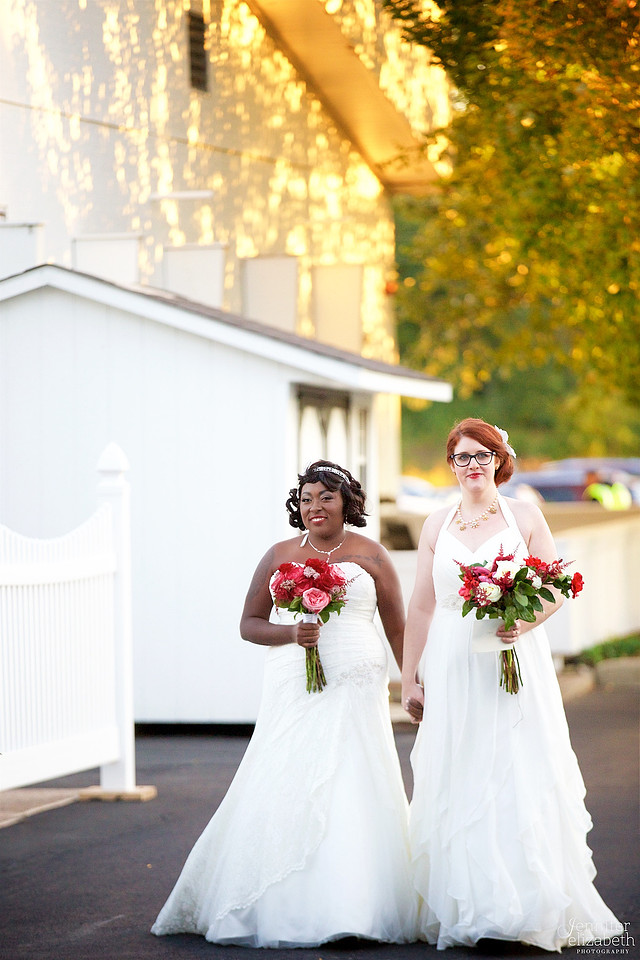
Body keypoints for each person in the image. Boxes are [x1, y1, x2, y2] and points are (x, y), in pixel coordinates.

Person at [151, 460, 418, 948]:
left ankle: (356, 904)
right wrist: (292, 633)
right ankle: (286, 900)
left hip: (357, 681)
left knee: (354, 776)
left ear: (347, 503)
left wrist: (414, 685)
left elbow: (398, 628)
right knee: (289, 768)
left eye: (326, 497)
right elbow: (249, 624)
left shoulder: (372, 555)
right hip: (295, 679)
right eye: (306, 498)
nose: (315, 506)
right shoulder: (278, 555)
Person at [402, 419, 624, 952]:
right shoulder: (435, 523)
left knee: (514, 768)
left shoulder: (524, 515)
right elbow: (422, 606)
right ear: (451, 464)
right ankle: (470, 907)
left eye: (483, 455)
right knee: (462, 771)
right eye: (462, 457)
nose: (473, 465)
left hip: (513, 659)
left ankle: (524, 908)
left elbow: (556, 585)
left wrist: (523, 623)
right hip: (453, 665)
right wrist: (410, 677)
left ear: (499, 459)